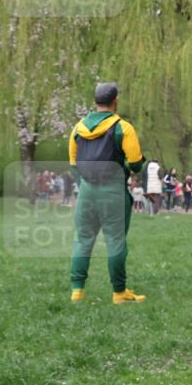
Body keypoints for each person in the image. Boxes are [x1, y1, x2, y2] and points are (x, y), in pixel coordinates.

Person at [68, 82, 148, 304]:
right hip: (112, 190)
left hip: (86, 190)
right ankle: (119, 292)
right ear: (115, 101)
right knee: (115, 240)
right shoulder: (124, 127)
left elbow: (73, 164)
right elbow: (135, 164)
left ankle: (77, 290)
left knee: (83, 239)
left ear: (96, 101)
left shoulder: (78, 128)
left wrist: (85, 183)